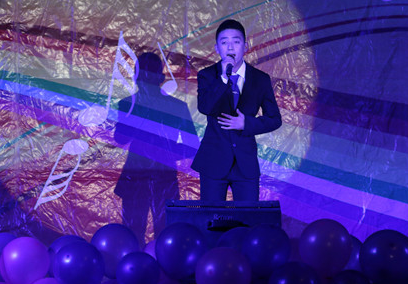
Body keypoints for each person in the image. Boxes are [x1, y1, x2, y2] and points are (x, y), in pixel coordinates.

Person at [191, 19, 282, 201]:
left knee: (248, 216)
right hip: (213, 160)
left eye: (236, 41)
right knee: (211, 216)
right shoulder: (207, 75)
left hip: (245, 163)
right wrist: (224, 79)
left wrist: (246, 123)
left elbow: (274, 119)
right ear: (217, 48)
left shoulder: (260, 79)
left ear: (245, 46)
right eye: (224, 42)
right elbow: (205, 107)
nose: (230, 47)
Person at [114, 52, 196, 245]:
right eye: (143, 76)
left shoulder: (176, 106)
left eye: (146, 76)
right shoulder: (128, 104)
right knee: (134, 232)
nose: (144, 81)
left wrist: (164, 152)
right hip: (137, 176)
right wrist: (138, 116)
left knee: (165, 232)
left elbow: (192, 145)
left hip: (162, 175)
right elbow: (120, 138)